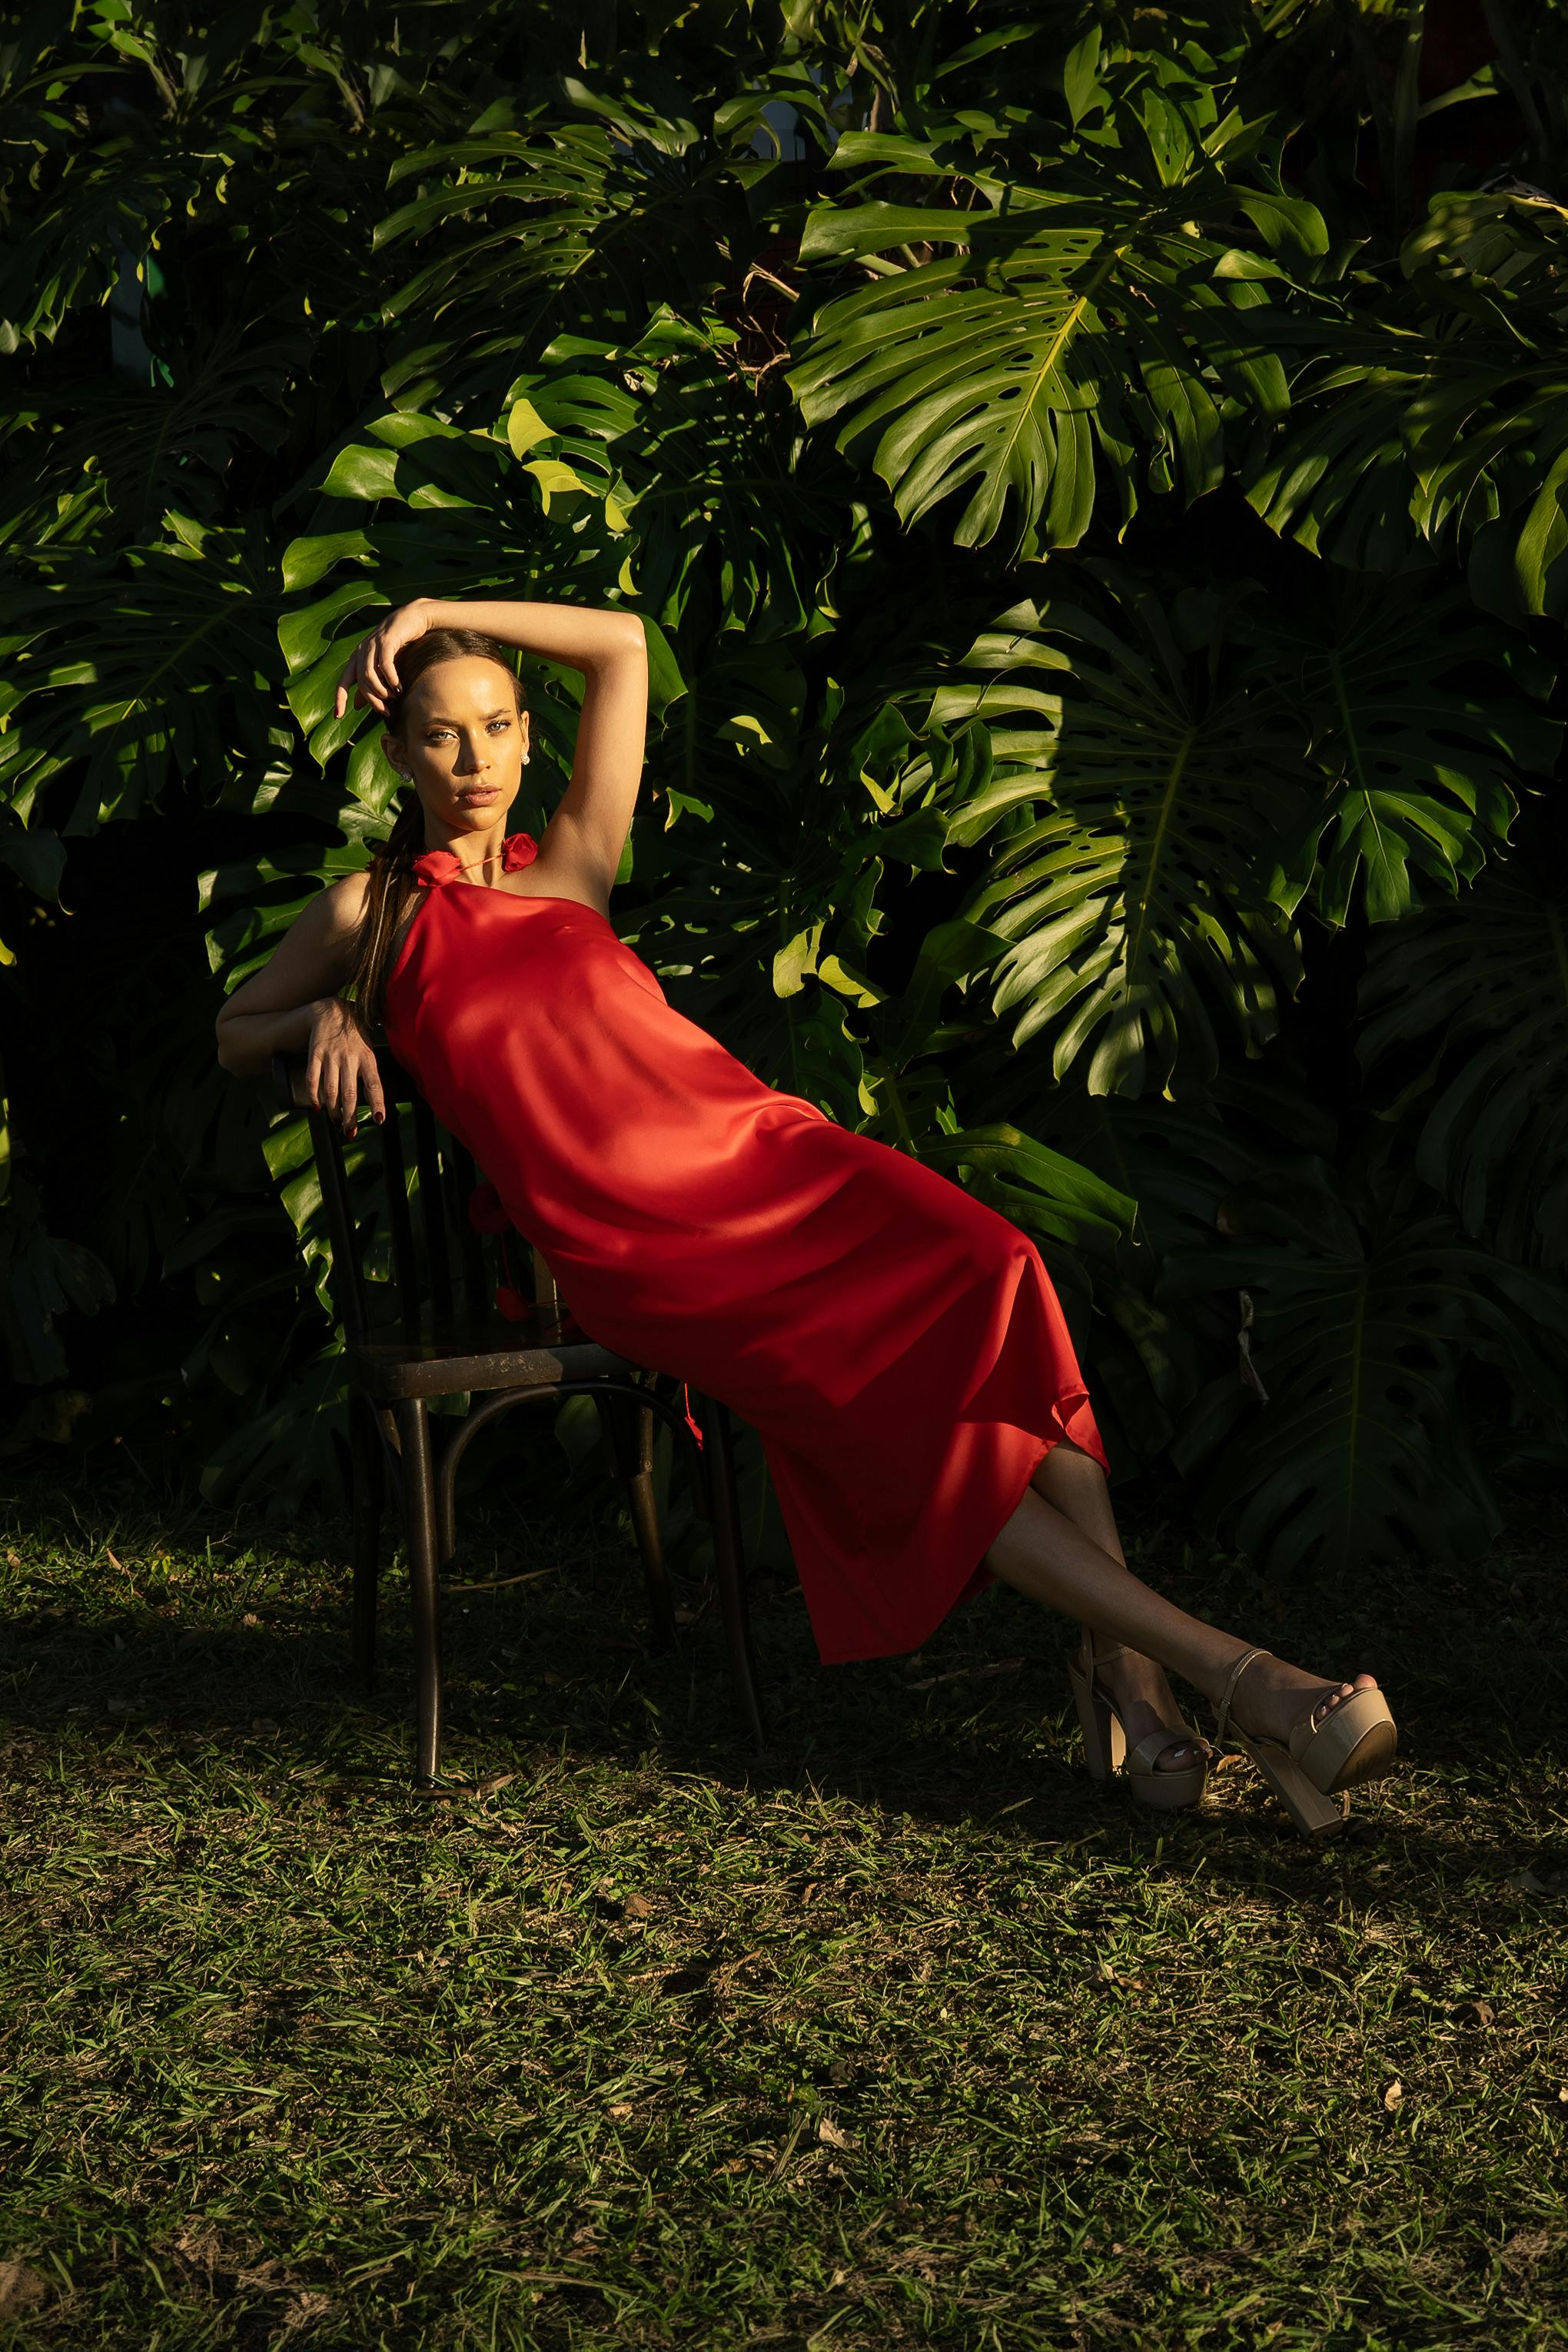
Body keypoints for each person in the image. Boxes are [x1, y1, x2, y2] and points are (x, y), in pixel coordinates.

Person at [215, 596, 1396, 1837]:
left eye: (499, 726)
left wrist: (437, 611)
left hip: (768, 1155)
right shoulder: (370, 916)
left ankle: (1128, 1672)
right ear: (396, 751)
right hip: (647, 1247)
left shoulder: (575, 863)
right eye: (441, 734)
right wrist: (322, 1013)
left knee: (998, 1262)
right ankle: (1242, 1681)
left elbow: (623, 644)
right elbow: (234, 1029)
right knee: (922, 1436)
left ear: (526, 738)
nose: (475, 759)